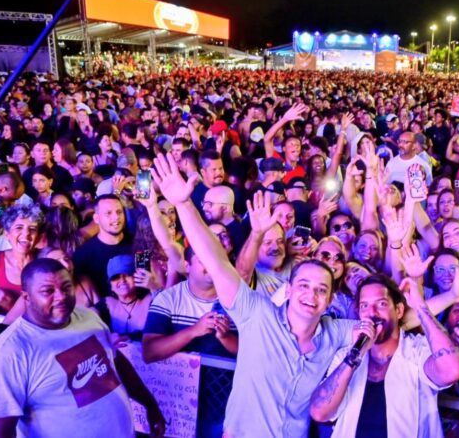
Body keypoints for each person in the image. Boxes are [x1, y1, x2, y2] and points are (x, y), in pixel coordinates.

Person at [151, 153, 357, 437]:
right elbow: (216, 261)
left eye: (322, 289)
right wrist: (184, 204)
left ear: (330, 299)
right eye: (304, 286)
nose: (311, 294)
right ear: (288, 289)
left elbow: (381, 325)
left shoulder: (336, 332)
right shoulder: (257, 313)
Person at [0, 258, 165, 438]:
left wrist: (149, 403)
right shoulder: (8, 353)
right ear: (26, 297)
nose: (61, 296)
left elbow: (116, 361)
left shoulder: (87, 317)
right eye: (48, 291)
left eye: (66, 287)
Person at [309, 275, 459, 437]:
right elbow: (319, 412)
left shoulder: (418, 349)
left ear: (398, 311)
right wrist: (355, 354)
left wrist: (420, 308)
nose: (372, 312)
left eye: (381, 304)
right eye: (364, 306)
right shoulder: (347, 356)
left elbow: (453, 371)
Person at [0, 204, 45, 313]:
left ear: (38, 237)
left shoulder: (45, 259)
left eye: (32, 229)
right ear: (7, 234)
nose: (26, 234)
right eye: (19, 228)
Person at [72, 194, 132, 296]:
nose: (116, 217)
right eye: (108, 213)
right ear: (96, 218)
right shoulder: (82, 256)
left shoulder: (138, 245)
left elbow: (145, 281)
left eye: (119, 212)